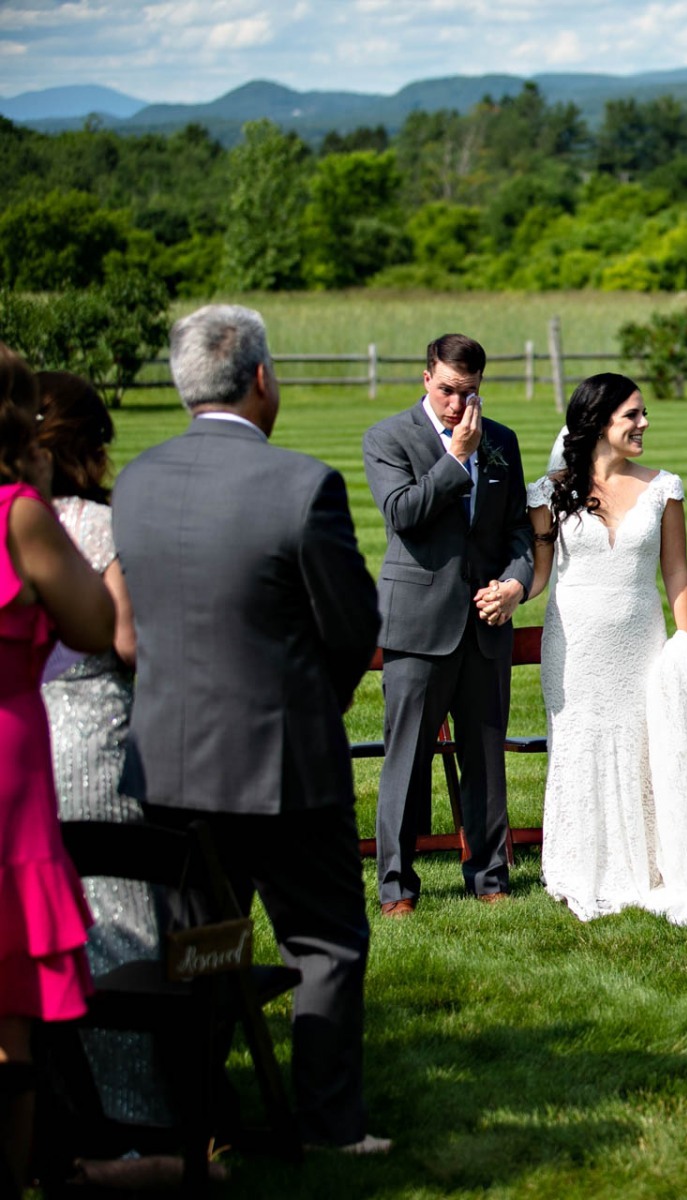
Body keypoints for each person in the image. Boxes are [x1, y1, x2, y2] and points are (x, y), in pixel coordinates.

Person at [112, 305, 386, 1154]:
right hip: (286, 763)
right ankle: (328, 1127)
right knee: (325, 944)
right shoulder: (304, 485)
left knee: (199, 953)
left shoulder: (136, 481)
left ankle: (201, 1123)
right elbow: (351, 625)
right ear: (262, 378)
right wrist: (320, 701)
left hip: (168, 765)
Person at [525, 374, 687, 925]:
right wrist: (507, 591)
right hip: (574, 648)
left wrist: (686, 645)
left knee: (645, 748)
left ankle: (649, 866)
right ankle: (581, 865)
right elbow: (540, 575)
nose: (644, 424)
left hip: (642, 641)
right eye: (633, 416)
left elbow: (676, 570)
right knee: (582, 743)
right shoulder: (549, 493)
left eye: (643, 414)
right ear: (599, 424)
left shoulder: (665, 487)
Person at [36, 370, 169, 1129]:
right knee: (114, 921)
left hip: (22, 734)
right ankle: (130, 1109)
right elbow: (126, 643)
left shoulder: (9, 516)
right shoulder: (92, 524)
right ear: (94, 445)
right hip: (90, 738)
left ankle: (52, 1107)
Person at [363, 334, 532, 917]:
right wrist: (456, 457)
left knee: (486, 757)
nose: (458, 405)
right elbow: (401, 513)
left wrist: (515, 584)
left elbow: (517, 531)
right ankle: (396, 887)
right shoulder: (388, 438)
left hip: (485, 625)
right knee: (405, 759)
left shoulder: (504, 442)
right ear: (425, 377)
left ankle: (489, 877)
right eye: (447, 390)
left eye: (470, 392)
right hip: (417, 624)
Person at [0, 344, 116, 1192]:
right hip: (9, 762)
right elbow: (91, 622)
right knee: (11, 1017)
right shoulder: (19, 514)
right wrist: (37, 493)